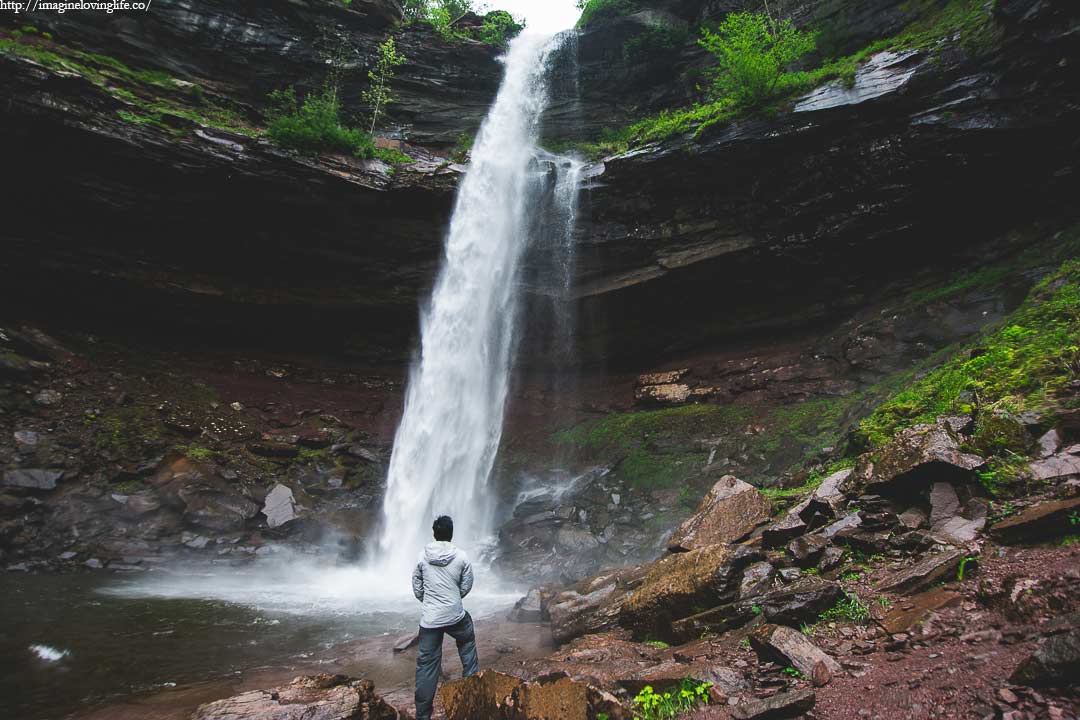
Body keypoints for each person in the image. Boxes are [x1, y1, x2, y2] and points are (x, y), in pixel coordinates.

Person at [411, 515, 478, 720]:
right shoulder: (462, 557)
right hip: (456, 615)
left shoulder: (422, 556)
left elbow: (416, 585)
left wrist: (430, 602)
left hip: (430, 620)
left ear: (434, 533)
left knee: (426, 666)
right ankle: (472, 694)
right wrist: (453, 599)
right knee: (467, 646)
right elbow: (466, 585)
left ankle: (423, 716)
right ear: (451, 533)